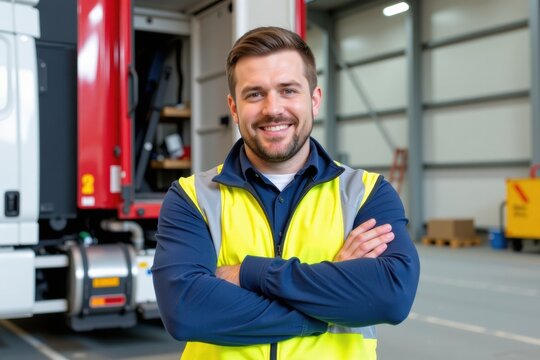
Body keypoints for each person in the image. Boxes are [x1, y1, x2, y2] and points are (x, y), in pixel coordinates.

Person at [152, 26, 420, 359]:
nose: (272, 108)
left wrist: (249, 272)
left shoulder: (366, 194)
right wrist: (327, 295)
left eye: (288, 90)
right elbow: (186, 311)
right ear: (234, 108)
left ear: (315, 100)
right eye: (254, 94)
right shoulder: (192, 198)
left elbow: (390, 298)